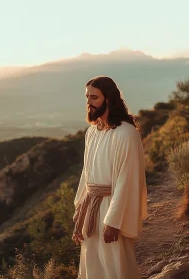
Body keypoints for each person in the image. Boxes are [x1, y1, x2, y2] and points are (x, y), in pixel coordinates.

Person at [71, 76, 148, 279]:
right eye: (87, 97)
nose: (89, 102)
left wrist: (113, 221)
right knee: (93, 264)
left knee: (116, 265)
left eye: (94, 97)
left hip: (112, 208)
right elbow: (86, 174)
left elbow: (127, 179)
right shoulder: (92, 132)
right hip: (91, 207)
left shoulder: (126, 133)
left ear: (109, 99)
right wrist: (80, 211)